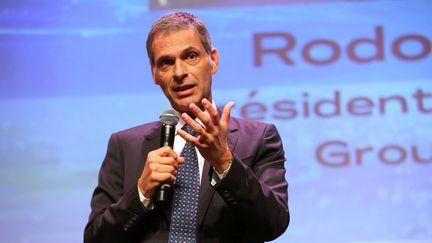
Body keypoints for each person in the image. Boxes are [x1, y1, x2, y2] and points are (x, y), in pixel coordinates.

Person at [84, 12, 289, 243]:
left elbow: (274, 224)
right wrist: (141, 192)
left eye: (190, 56)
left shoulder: (260, 138)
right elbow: (95, 239)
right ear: (154, 73)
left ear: (213, 60)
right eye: (166, 63)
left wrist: (224, 162)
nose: (179, 73)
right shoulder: (124, 145)